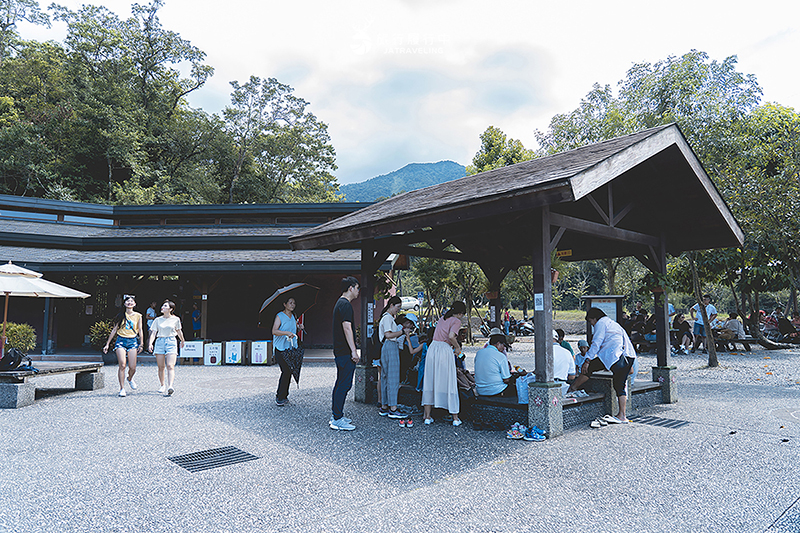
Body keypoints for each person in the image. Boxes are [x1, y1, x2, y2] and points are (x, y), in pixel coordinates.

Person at [566, 307, 637, 424]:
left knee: (617, 384)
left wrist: (587, 359)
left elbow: (596, 342)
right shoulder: (613, 324)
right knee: (616, 382)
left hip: (615, 356)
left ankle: (622, 415)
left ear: (594, 318)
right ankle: (622, 414)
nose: (592, 325)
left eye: (591, 322)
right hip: (626, 355)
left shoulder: (601, 323)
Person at [422, 300, 466, 426]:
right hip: (444, 350)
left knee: (430, 380)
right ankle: (455, 418)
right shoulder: (456, 321)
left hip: (433, 348)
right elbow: (452, 336)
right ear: (461, 313)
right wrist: (457, 348)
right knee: (449, 381)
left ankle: (427, 416)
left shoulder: (443, 318)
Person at [330, 276, 360, 431]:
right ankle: (337, 419)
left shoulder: (339, 303)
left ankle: (336, 414)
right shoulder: (345, 305)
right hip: (345, 352)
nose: (358, 291)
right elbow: (347, 328)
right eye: (357, 288)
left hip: (340, 351)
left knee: (340, 383)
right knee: (344, 384)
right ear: (351, 288)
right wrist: (354, 351)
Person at [103, 294, 144, 397]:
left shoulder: (138, 316)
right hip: (121, 340)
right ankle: (122, 388)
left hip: (133, 340)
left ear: (135, 304)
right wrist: (107, 344)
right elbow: (114, 330)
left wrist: (142, 343)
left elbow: (140, 329)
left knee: (133, 367)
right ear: (124, 303)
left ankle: (129, 378)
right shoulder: (120, 315)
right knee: (122, 364)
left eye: (131, 301)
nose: (129, 302)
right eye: (127, 301)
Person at [272, 296, 304, 407]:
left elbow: (293, 329)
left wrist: (299, 327)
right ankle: (279, 396)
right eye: (290, 303)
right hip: (280, 348)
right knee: (285, 371)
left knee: (290, 370)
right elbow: (274, 331)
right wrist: (286, 332)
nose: (293, 305)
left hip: (290, 348)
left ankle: (284, 396)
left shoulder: (294, 316)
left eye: (294, 303)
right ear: (285, 304)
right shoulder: (279, 316)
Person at [148, 300, 185, 396]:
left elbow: (178, 330)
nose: (162, 307)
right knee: (161, 366)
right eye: (162, 305)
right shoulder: (157, 320)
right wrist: (150, 343)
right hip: (160, 341)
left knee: (170, 365)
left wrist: (182, 340)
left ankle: (170, 386)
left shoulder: (176, 319)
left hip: (171, 341)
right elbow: (153, 333)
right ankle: (162, 385)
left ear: (171, 309)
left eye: (165, 306)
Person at [378, 296, 405, 419]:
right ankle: (393, 408)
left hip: (385, 347)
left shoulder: (385, 317)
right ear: (391, 305)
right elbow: (388, 335)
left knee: (384, 377)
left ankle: (384, 406)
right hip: (391, 346)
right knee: (393, 377)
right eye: (397, 307)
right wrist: (403, 332)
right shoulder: (388, 318)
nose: (398, 310)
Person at [474, 328, 515, 398]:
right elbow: (506, 379)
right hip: (496, 390)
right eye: (503, 345)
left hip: (480, 390)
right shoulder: (501, 356)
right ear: (498, 344)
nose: (504, 348)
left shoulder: (479, 353)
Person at [552, 330, 576, 395]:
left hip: (549, 386)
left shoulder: (546, 352)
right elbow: (572, 376)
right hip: (563, 386)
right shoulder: (567, 352)